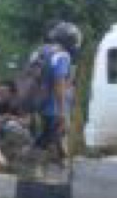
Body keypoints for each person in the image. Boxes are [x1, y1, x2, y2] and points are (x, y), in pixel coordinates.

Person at [30, 22, 82, 164]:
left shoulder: (41, 51)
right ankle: (29, 162)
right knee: (48, 137)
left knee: (53, 137)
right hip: (53, 106)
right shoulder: (62, 56)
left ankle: (57, 166)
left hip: (38, 102)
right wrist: (62, 111)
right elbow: (59, 84)